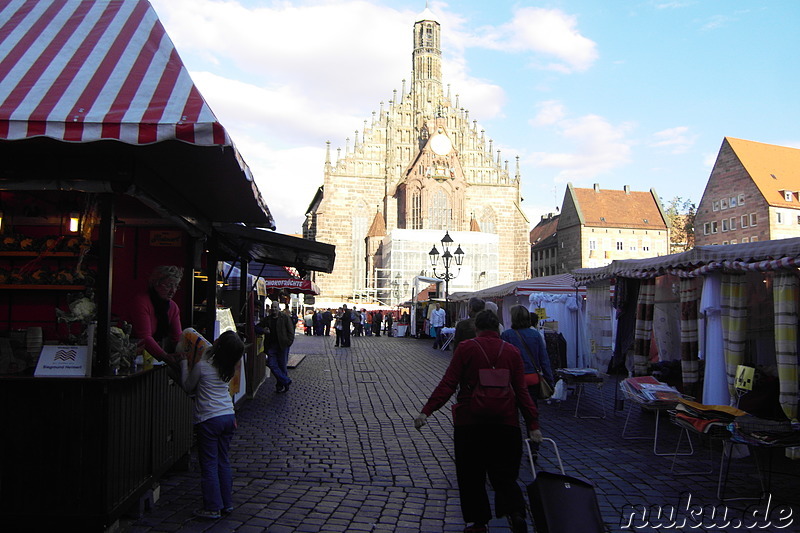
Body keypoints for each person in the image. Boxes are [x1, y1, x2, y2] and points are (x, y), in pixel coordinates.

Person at [414, 310, 541, 533]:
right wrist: (533, 425)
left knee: (471, 474)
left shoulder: (466, 348)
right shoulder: (512, 352)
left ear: (477, 329)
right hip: (506, 422)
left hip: (470, 422)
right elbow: (522, 392)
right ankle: (515, 511)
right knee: (505, 474)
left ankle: (477, 523)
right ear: (498, 328)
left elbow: (448, 383)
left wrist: (427, 411)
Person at [179, 330, 245, 520]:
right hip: (228, 416)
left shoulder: (203, 367)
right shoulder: (228, 367)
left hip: (209, 418)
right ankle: (227, 503)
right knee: (223, 461)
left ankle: (212, 507)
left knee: (208, 464)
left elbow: (187, 386)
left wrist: (184, 364)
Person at [130, 265, 184, 369]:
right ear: (156, 284)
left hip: (149, 357)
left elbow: (178, 338)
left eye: (176, 286)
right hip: (130, 356)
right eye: (169, 286)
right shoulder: (141, 302)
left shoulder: (173, 307)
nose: (173, 291)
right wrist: (166, 357)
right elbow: (144, 337)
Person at [500, 305, 553, 404]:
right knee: (531, 407)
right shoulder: (536, 335)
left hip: (513, 378)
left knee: (512, 407)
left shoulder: (506, 335)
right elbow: (544, 359)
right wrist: (549, 380)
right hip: (532, 376)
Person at [258, 301, 295, 392]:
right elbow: (257, 327)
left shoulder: (285, 318)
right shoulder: (268, 319)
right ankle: (286, 381)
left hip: (283, 345)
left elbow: (291, 331)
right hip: (272, 346)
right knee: (271, 364)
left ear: (278, 308)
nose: (274, 309)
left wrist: (288, 342)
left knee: (282, 365)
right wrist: (263, 330)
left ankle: (280, 386)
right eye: (272, 307)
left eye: (275, 307)